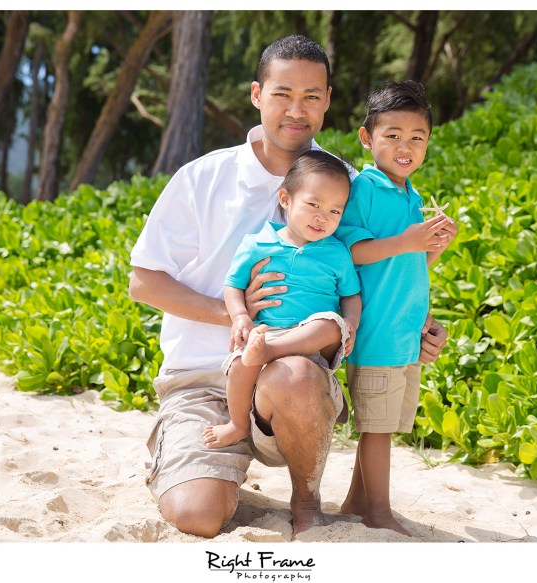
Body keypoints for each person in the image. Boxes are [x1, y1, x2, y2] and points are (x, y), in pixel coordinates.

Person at [129, 35, 449, 539]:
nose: (296, 110)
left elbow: (379, 270)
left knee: (295, 373)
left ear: (327, 100)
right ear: (257, 94)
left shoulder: (349, 184)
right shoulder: (204, 176)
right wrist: (235, 314)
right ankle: (190, 460)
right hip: (203, 380)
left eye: (312, 96)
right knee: (199, 515)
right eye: (282, 94)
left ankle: (307, 501)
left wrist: (418, 326)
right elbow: (142, 281)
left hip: (296, 379)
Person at [334, 80, 458, 536]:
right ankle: (379, 514)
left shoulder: (412, 197)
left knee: (382, 425)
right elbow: (353, 252)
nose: (404, 147)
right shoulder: (363, 188)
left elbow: (405, 266)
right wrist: (408, 239)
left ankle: (355, 503)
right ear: (367, 138)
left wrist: (434, 246)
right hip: (376, 332)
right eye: (392, 135)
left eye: (416, 137)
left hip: (401, 329)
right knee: (378, 430)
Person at [203, 151, 362, 449]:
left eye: (334, 211)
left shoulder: (337, 252)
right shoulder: (256, 243)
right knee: (240, 365)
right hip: (266, 334)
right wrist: (240, 317)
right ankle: (237, 424)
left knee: (330, 323)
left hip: (312, 341)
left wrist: (351, 322)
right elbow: (233, 285)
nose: (322, 217)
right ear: (285, 199)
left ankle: (269, 352)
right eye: (313, 204)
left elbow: (351, 295)